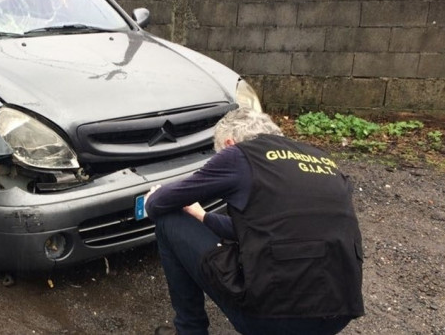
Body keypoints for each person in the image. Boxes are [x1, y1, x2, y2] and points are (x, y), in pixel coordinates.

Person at [145, 108, 364, 335]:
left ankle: (190, 330)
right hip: (338, 314)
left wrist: (152, 197)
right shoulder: (322, 159)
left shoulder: (238, 155)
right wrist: (203, 216)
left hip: (272, 319)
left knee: (168, 220)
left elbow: (158, 204)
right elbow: (266, 230)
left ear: (230, 143)